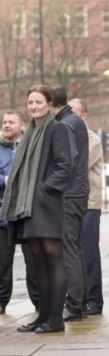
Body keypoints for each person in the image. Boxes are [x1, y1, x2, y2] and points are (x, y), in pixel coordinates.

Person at [2, 85, 72, 333]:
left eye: (38, 102)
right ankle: (43, 317)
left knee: (53, 258)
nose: (33, 106)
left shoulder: (57, 128)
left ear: (49, 103)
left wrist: (44, 189)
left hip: (46, 203)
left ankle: (55, 319)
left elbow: (65, 167)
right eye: (30, 102)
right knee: (37, 262)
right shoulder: (30, 131)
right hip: (27, 205)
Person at [0, 110, 40, 314]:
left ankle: (38, 302)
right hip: (2, 214)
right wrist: (4, 180)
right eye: (4, 121)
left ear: (23, 125)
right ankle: (0, 303)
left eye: (11, 122)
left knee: (33, 261)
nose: (6, 125)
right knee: (3, 261)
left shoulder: (31, 147)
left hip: (27, 214)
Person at [49, 85, 89, 322]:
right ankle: (80, 301)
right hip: (78, 192)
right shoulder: (75, 121)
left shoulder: (64, 124)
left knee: (69, 249)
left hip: (70, 193)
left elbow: (68, 160)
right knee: (75, 247)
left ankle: (74, 304)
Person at [69, 98, 104, 315]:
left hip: (89, 203)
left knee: (88, 251)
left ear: (83, 116)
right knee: (74, 253)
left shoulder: (92, 140)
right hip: (72, 202)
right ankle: (78, 299)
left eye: (72, 112)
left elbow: (77, 164)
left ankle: (95, 300)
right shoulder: (68, 139)